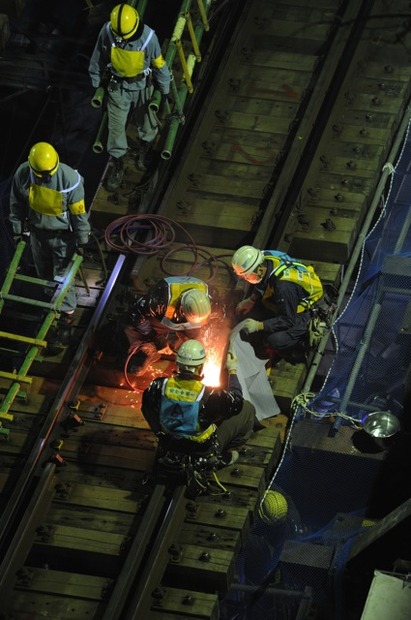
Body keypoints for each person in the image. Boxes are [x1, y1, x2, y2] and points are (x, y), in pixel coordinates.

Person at [9, 141, 90, 346]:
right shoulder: (23, 175)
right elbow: (16, 204)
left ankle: (66, 318)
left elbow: (78, 214)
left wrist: (82, 240)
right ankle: (51, 309)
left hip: (63, 238)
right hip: (38, 235)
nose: (46, 179)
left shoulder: (69, 179)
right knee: (44, 274)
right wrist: (18, 231)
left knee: (63, 278)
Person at [88, 3, 171, 190]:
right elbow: (97, 58)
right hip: (117, 88)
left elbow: (159, 65)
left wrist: (164, 91)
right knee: (115, 130)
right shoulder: (108, 32)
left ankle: (144, 148)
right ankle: (118, 164)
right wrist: (95, 85)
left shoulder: (149, 38)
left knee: (148, 122)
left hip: (143, 86)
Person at [141, 339, 256, 470]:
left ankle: (168, 450)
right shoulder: (209, 394)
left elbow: (147, 411)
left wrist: (162, 435)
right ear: (201, 366)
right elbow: (236, 402)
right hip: (201, 449)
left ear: (177, 363)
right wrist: (233, 370)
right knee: (247, 408)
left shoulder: (158, 386)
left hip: (169, 442)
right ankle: (217, 455)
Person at [102, 275, 213, 375]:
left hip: (177, 318)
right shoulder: (159, 301)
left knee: (197, 338)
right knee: (133, 354)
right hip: (153, 321)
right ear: (182, 308)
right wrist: (157, 339)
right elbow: (135, 315)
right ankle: (148, 350)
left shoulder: (207, 299)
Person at [231, 245, 324, 360]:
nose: (246, 279)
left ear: (259, 269)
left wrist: (259, 326)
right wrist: (252, 299)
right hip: (291, 295)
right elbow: (262, 279)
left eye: (246, 276)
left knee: (274, 340)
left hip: (303, 313)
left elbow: (288, 320)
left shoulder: (283, 287)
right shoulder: (264, 257)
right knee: (258, 309)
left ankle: (297, 347)